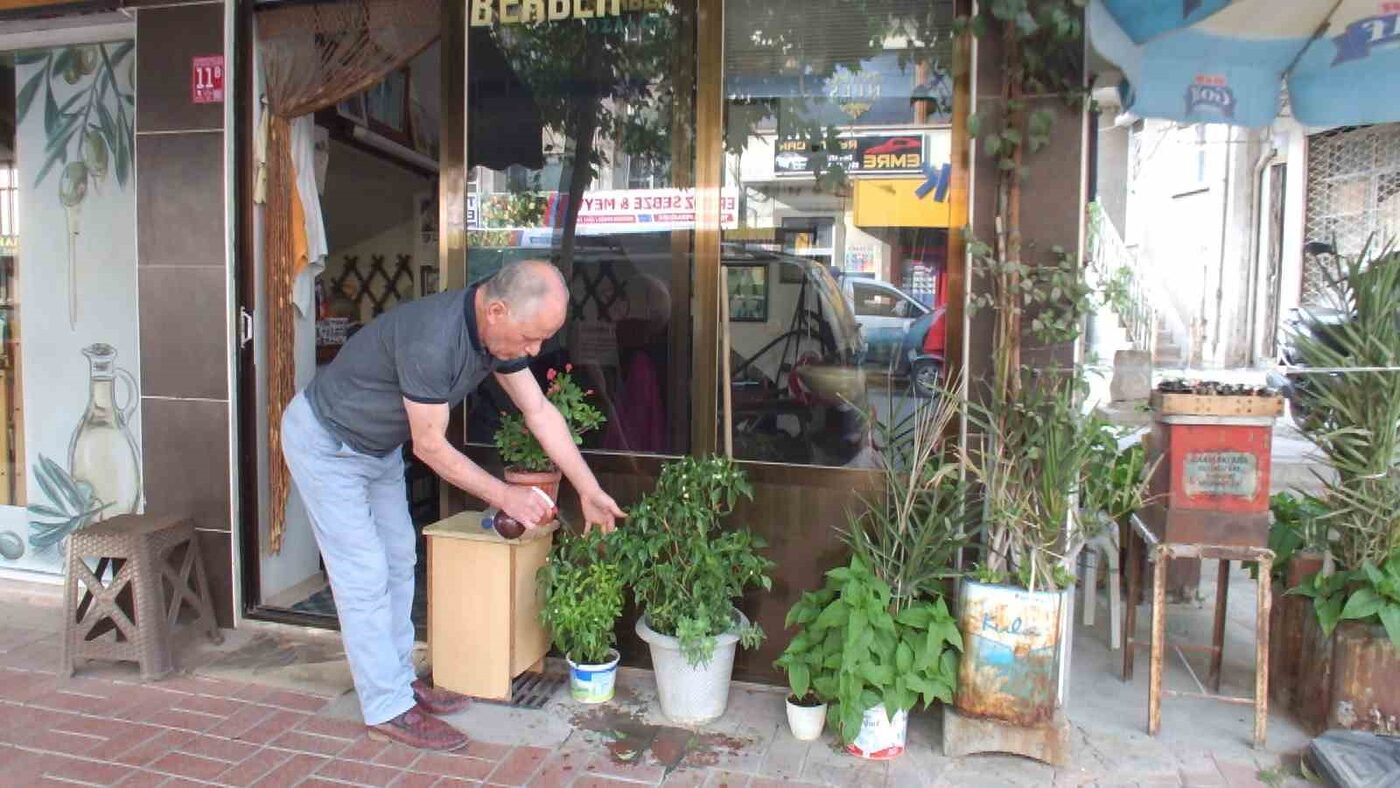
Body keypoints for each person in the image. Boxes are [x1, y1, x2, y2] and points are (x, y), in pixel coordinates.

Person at [281, 259, 626, 751]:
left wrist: (588, 489)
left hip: (375, 448)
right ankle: (386, 705)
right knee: (363, 571)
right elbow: (431, 446)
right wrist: (505, 495)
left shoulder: (496, 335)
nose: (533, 351)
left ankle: (398, 680)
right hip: (327, 442)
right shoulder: (433, 339)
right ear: (498, 310)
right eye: (531, 338)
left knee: (400, 558)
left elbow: (540, 411)